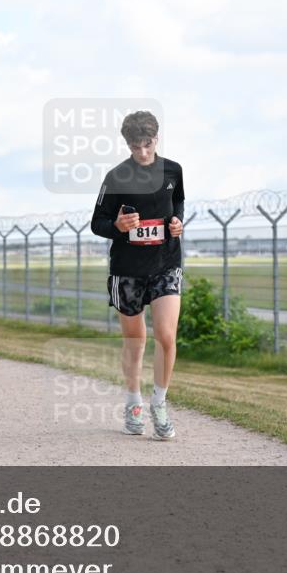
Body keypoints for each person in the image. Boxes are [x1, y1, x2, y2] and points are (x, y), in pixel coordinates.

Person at [90, 110, 184, 441]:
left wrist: (176, 224)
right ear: (127, 144)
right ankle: (133, 402)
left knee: (166, 336)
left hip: (166, 263)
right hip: (128, 270)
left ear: (156, 139)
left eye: (147, 144)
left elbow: (178, 204)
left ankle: (159, 403)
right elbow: (97, 222)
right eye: (135, 146)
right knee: (136, 341)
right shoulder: (116, 176)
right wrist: (117, 226)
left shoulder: (173, 170)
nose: (142, 152)